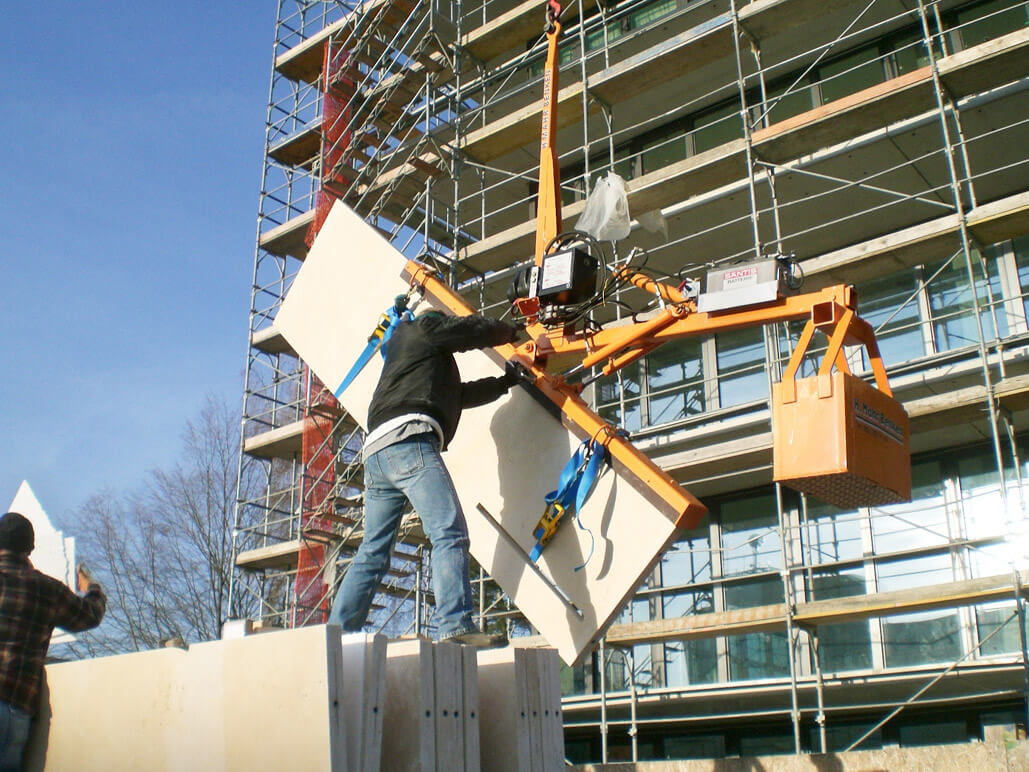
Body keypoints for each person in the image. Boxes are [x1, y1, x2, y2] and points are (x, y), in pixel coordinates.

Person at [329, 309, 522, 645]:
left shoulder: (414, 361)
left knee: (373, 551)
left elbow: (460, 395)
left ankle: (336, 633)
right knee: (449, 532)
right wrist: (512, 332)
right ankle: (454, 625)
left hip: (377, 451)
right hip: (409, 439)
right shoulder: (425, 328)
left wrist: (506, 383)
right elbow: (470, 330)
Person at [0, 512, 106, 771]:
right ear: (31, 549)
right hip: (12, 708)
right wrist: (92, 587)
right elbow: (90, 614)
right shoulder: (47, 589)